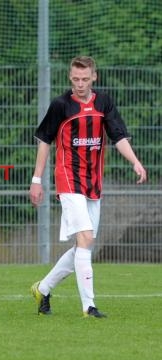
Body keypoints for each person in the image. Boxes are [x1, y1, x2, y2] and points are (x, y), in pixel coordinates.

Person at [29, 56, 147, 318]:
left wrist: (135, 161)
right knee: (86, 238)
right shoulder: (61, 105)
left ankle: (43, 288)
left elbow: (118, 136)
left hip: (93, 181)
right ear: (70, 77)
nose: (79, 84)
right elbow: (44, 141)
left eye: (85, 79)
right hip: (68, 179)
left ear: (94, 77)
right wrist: (37, 180)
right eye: (75, 79)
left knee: (85, 244)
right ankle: (88, 306)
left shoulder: (103, 102)